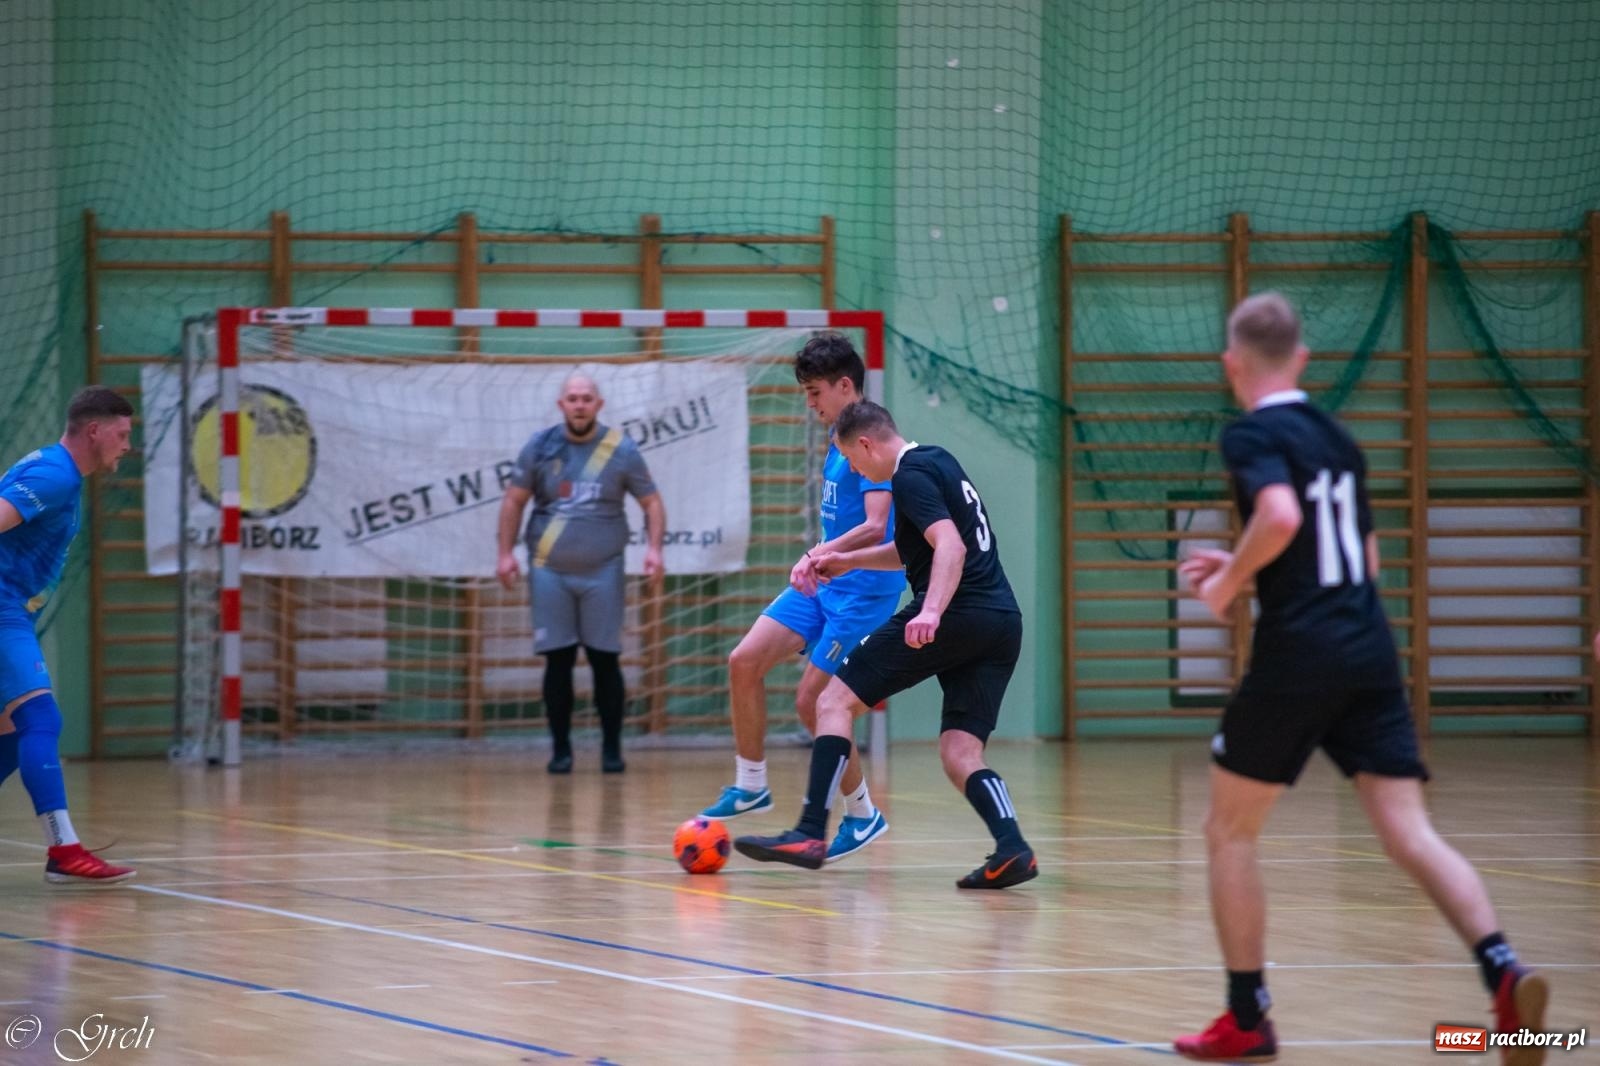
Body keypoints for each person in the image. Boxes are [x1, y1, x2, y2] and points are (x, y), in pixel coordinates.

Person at [1172, 292, 1549, 1063]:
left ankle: (1247, 1017)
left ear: (1231, 365)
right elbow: (1363, 559)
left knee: (1228, 830)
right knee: (1410, 831)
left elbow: (1282, 516)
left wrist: (1229, 582)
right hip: (1369, 645)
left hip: (1299, 650)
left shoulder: (1251, 432)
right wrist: (1249, 561)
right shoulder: (1338, 437)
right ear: (1303, 360)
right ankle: (1503, 970)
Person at [733, 401, 1036, 889]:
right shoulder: (936, 460)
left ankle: (810, 831)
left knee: (831, 701)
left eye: (853, 461)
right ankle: (1013, 848)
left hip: (956, 613)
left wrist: (931, 610)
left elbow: (951, 547)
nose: (855, 471)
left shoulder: (907, 477)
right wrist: (849, 560)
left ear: (866, 444)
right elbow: (912, 549)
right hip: (1000, 621)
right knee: (960, 752)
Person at [698, 333, 903, 863]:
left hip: (862, 595)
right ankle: (751, 783)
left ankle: (862, 814)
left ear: (844, 386)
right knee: (744, 661)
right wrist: (820, 558)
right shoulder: (837, 438)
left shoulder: (868, 443)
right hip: (825, 582)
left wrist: (818, 552)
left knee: (815, 703)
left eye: (815, 392)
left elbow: (877, 525)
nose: (810, 403)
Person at [496, 369, 665, 774]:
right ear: (562, 404)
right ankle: (561, 751)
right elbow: (514, 501)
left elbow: (652, 503)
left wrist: (655, 550)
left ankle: (611, 750)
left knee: (605, 659)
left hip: (603, 570)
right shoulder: (539, 447)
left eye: (586, 398)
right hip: (549, 570)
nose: (579, 405)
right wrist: (504, 553)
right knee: (558, 660)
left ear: (598, 404)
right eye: (572, 398)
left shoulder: (620, 449)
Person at [0, 386, 137, 884]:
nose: (127, 445)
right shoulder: (55, 475)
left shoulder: (54, 469)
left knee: (11, 732)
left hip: (13, 608)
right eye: (122, 434)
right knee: (41, 719)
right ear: (94, 430)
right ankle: (64, 850)